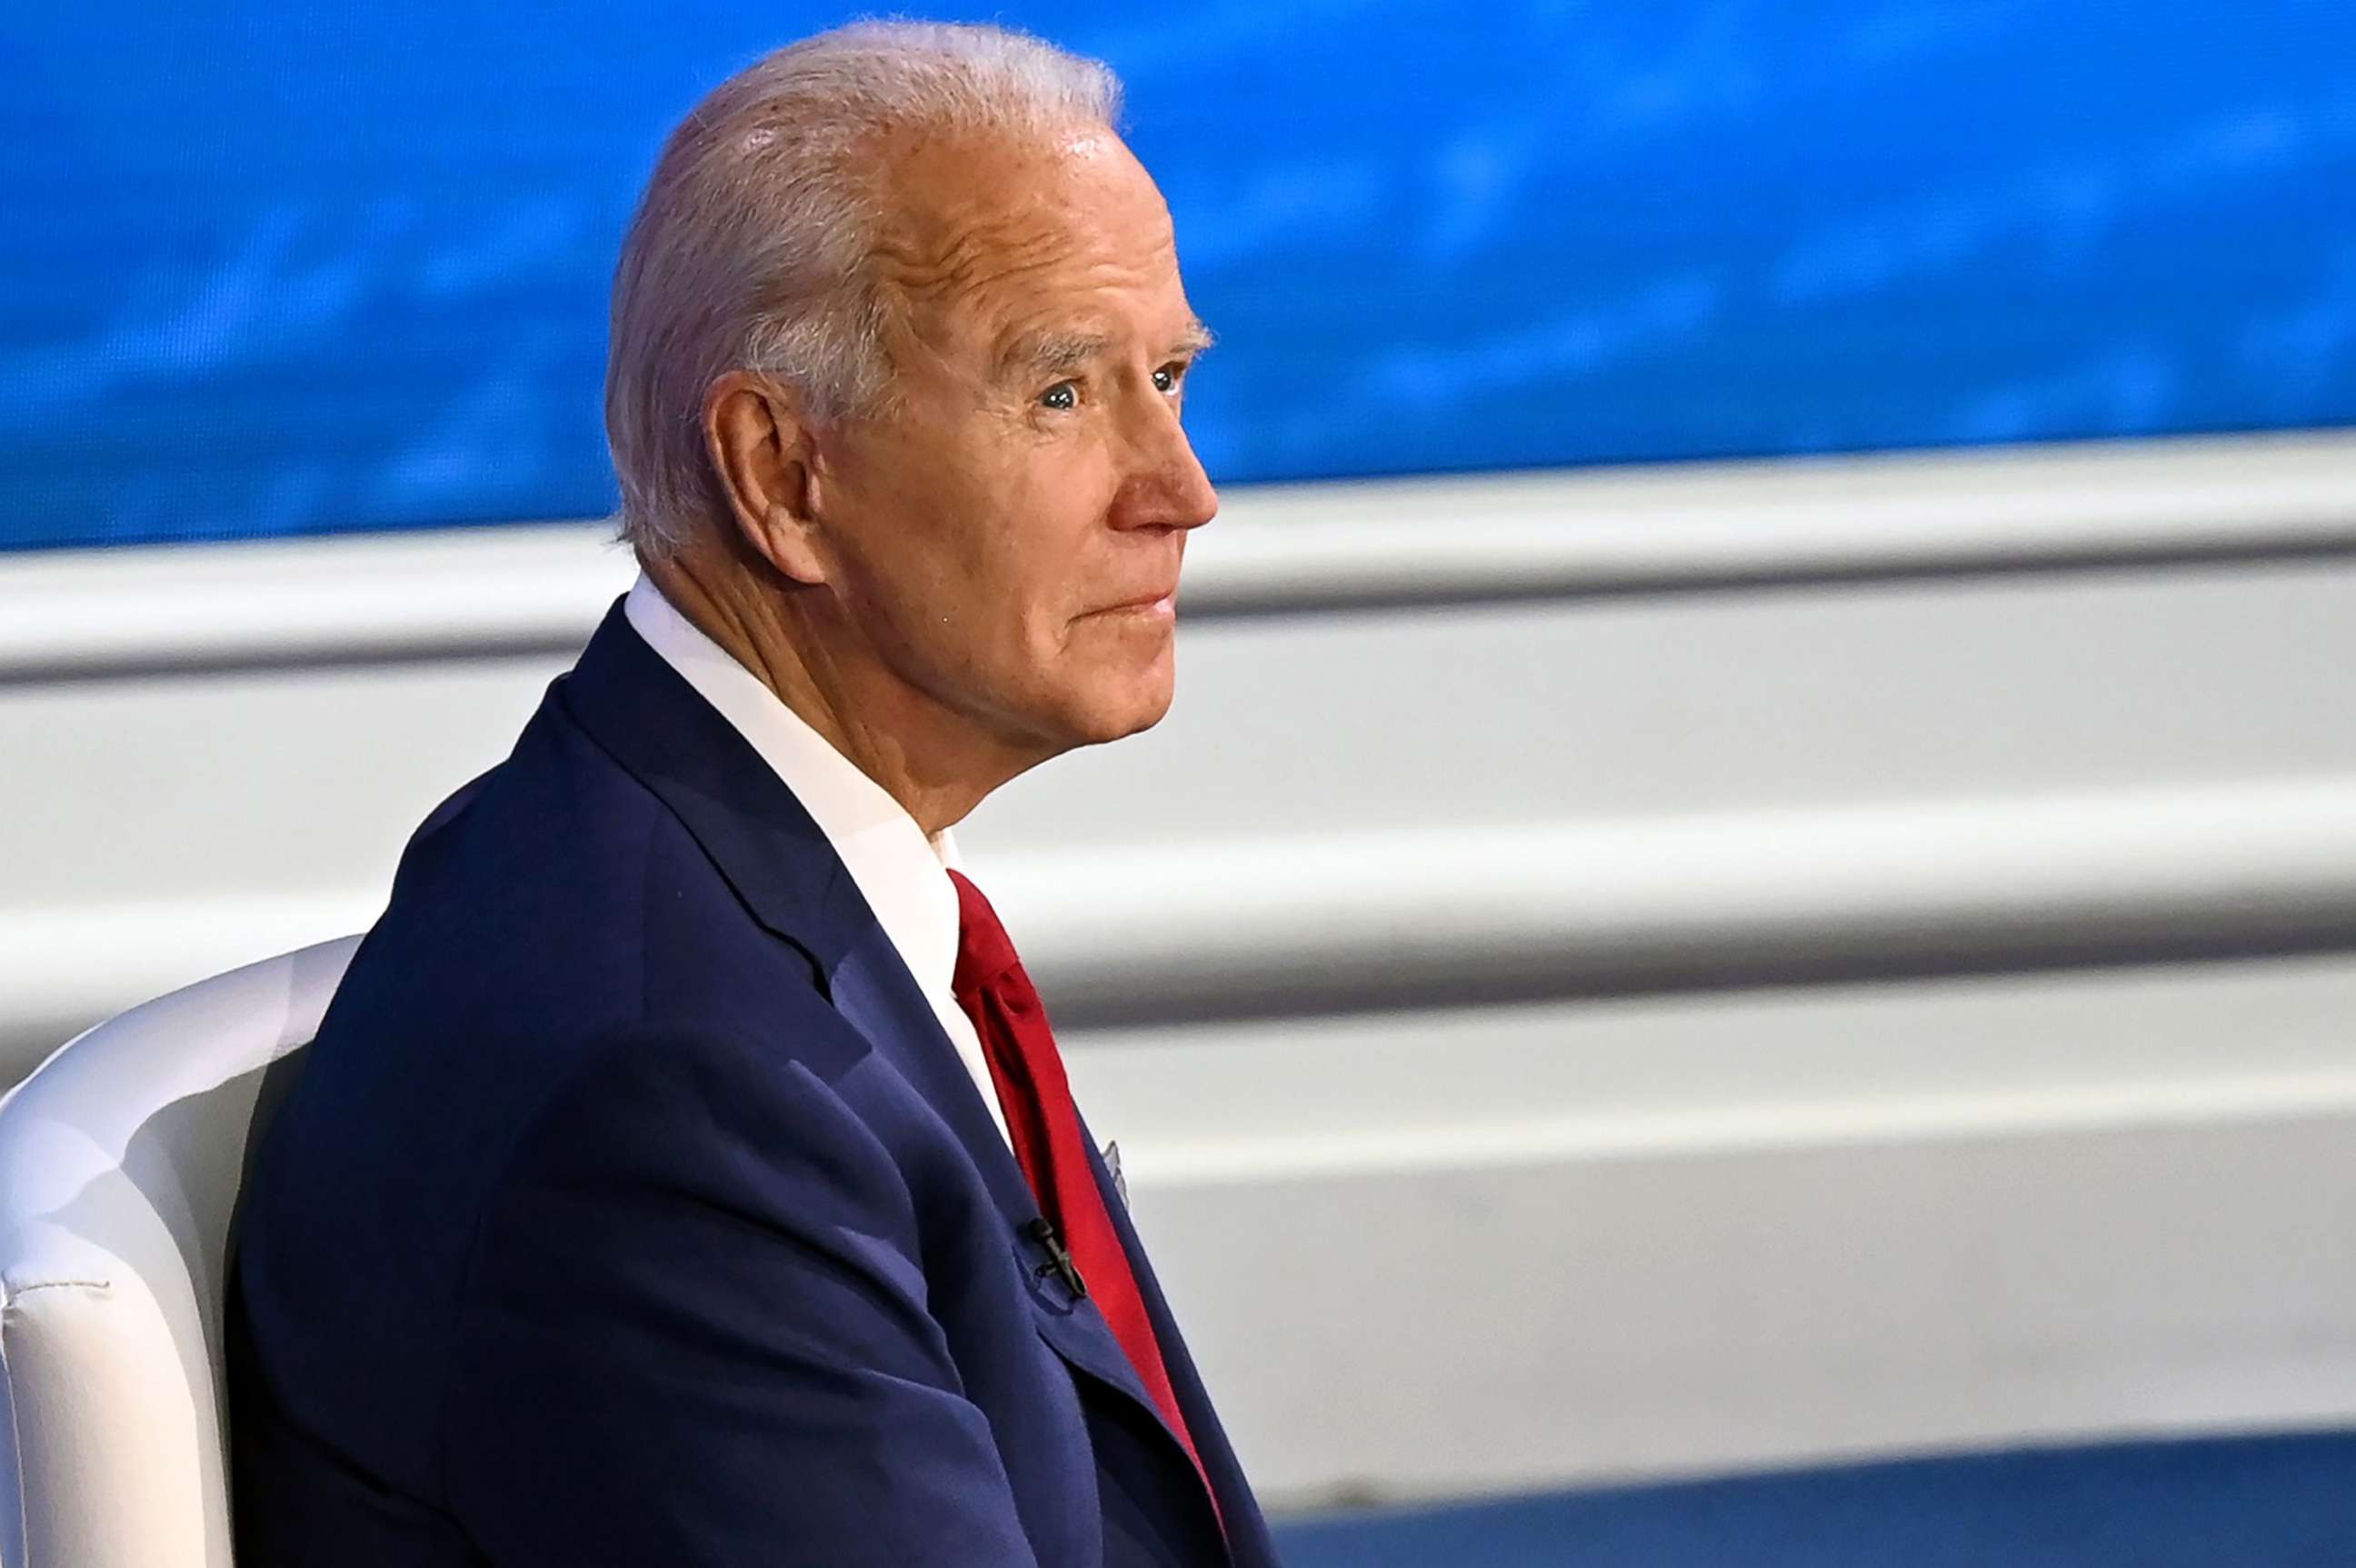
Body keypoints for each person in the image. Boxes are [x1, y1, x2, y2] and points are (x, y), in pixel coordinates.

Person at [226, 21, 1275, 1566]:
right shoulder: (676, 1097)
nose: (1180, 489)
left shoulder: (663, 851)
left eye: (1168, 376)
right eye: (1060, 391)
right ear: (782, 472)